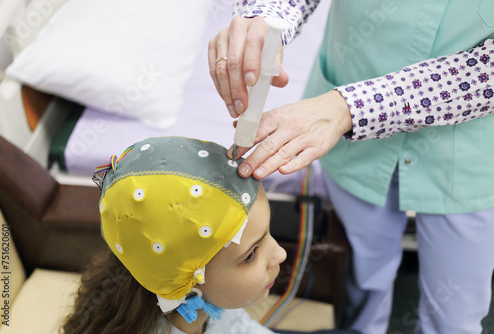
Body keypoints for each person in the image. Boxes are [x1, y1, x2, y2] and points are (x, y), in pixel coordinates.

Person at [208, 1, 494, 333]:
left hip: (468, 153)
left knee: (454, 315)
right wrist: (264, 18)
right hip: (352, 137)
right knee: (361, 282)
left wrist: (350, 109)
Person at [60, 136, 287, 334]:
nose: (281, 254)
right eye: (251, 255)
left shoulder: (213, 300)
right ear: (186, 282)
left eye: (267, 234)